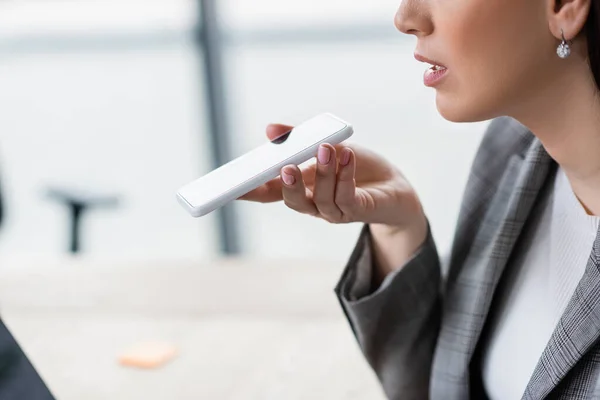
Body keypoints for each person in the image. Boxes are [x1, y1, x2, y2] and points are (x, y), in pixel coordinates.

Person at [241, 0, 600, 398]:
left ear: (564, 5)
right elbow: (444, 386)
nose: (406, 18)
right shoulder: (512, 151)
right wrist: (398, 226)